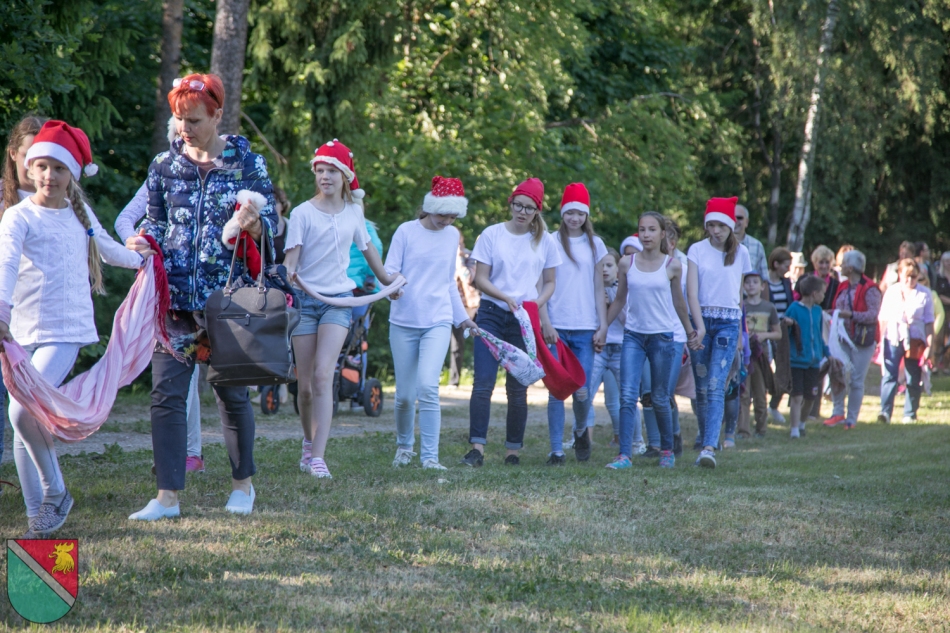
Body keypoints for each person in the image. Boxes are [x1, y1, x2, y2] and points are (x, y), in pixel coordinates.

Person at [127, 73, 277, 520]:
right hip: (173, 301)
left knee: (231, 395)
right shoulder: (164, 165)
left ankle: (243, 487)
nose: (184, 128)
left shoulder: (247, 164)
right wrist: (144, 240)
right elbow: (155, 221)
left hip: (228, 302)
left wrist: (257, 225)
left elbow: (273, 228)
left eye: (193, 120)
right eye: (179, 119)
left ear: (217, 115)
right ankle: (167, 498)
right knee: (166, 396)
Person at [0, 120, 148, 535]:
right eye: (42, 166)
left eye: (59, 168)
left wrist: (144, 260)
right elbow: (6, 265)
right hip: (18, 333)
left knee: (21, 410)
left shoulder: (78, 217)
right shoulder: (17, 217)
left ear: (72, 175)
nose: (49, 175)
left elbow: (109, 249)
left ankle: (57, 493)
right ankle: (38, 518)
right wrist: (2, 313)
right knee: (24, 425)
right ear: (29, 168)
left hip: (65, 331)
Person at [283, 139, 400, 479]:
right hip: (305, 303)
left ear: (345, 176)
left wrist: (389, 283)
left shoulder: (353, 213)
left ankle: (319, 458)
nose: (325, 176)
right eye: (320, 170)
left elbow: (370, 253)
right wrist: (287, 276)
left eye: (332, 171)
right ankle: (308, 443)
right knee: (305, 386)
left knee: (324, 375)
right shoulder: (302, 213)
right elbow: (291, 262)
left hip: (339, 303)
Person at [114, 119, 205, 474]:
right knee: (172, 371)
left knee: (195, 372)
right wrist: (138, 244)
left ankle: (189, 451)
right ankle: (178, 453)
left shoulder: (213, 175)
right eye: (176, 136)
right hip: (161, 288)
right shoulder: (161, 175)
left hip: (201, 289)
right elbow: (124, 219)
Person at [462, 178, 561, 467]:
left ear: (537, 211)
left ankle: (512, 453)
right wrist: (505, 297)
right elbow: (480, 279)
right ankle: (477, 449)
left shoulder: (545, 241)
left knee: (517, 389)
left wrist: (536, 304)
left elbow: (550, 282)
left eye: (529, 208)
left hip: (523, 319)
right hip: (491, 314)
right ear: (511, 203)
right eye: (518, 205)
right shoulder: (491, 234)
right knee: (483, 383)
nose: (522, 212)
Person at [384, 176, 476, 470]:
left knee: (428, 387)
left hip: (438, 320)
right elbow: (388, 271)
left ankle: (430, 457)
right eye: (442, 214)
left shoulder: (451, 236)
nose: (446, 221)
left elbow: (449, 282)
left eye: (453, 216)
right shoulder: (405, 231)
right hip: (404, 321)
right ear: (430, 207)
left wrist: (463, 318)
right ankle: (404, 446)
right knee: (404, 397)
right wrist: (393, 288)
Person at [606, 212, 696, 470]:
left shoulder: (673, 266)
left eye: (652, 230)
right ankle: (624, 455)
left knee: (659, 397)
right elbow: (619, 299)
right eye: (642, 229)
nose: (646, 234)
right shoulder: (626, 263)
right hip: (633, 337)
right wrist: (602, 329)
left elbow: (680, 303)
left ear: (662, 234)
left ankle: (667, 451)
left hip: (663, 338)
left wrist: (690, 332)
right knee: (627, 396)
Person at [539, 183, 608, 464]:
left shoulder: (596, 244)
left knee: (582, 391)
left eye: (580, 213)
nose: (575, 218)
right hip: (556, 327)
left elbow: (599, 287)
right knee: (556, 391)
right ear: (562, 213)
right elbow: (541, 285)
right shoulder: (549, 241)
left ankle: (580, 430)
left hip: (585, 327)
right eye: (570, 212)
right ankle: (556, 449)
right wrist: (545, 322)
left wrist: (603, 325)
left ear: (586, 215)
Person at [687, 197, 751, 468]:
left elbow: (739, 295)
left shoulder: (742, 253)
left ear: (730, 226)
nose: (715, 231)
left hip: (728, 324)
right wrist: (698, 327)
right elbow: (691, 293)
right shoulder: (696, 250)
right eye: (711, 225)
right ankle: (707, 437)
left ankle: (708, 448)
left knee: (716, 386)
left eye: (721, 226)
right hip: (700, 321)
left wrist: (740, 333)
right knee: (702, 388)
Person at [0, 115, 47, 472]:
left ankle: (42, 485)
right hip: (4, 312)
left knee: (25, 408)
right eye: (28, 154)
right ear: (13, 153)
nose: (34, 164)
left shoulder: (58, 202)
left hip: (36, 320)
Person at [640, 218, 691, 457]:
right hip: (647, 333)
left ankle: (673, 435)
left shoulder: (683, 266)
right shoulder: (644, 263)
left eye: (671, 239)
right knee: (648, 392)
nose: (666, 243)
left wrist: (693, 331)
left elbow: (689, 301)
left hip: (675, 335)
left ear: (674, 241)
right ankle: (654, 444)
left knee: (664, 393)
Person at [826, 250, 881, 429]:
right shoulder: (843, 286)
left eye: (843, 264)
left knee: (856, 380)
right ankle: (837, 413)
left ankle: (851, 418)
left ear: (850, 268)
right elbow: (836, 307)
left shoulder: (870, 288)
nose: (840, 267)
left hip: (862, 340)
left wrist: (849, 315)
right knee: (837, 373)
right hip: (842, 337)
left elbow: (872, 315)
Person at [878, 259, 935, 424]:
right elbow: (883, 317)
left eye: (914, 277)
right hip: (893, 336)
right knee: (890, 375)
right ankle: (885, 411)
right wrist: (880, 340)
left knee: (913, 376)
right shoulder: (892, 291)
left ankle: (910, 413)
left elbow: (929, 322)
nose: (910, 280)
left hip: (916, 340)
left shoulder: (924, 293)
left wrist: (929, 345)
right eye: (906, 277)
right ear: (899, 275)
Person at [584, 248, 624, 447]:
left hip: (620, 348)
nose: (605, 269)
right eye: (602, 266)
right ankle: (583, 438)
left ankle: (633, 441)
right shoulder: (590, 289)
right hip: (597, 347)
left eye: (609, 265)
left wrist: (613, 304)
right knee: (584, 394)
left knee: (622, 399)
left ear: (618, 268)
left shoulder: (624, 290)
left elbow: (628, 321)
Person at [785, 275, 829, 438]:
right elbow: (785, 331)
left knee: (811, 396)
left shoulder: (818, 311)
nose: (824, 296)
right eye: (822, 292)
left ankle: (802, 423)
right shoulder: (794, 309)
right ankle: (794, 429)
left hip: (813, 362)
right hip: (797, 361)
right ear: (814, 293)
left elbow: (818, 335)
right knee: (797, 396)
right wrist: (788, 325)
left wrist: (827, 354)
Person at [739, 272, 780, 437]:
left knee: (760, 393)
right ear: (743, 286)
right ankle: (743, 430)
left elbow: (778, 333)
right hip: (743, 354)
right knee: (743, 393)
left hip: (761, 355)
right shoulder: (741, 306)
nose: (751, 285)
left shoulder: (769, 307)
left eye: (755, 282)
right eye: (747, 282)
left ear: (762, 286)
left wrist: (764, 335)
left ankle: (761, 429)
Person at [765, 247, 794, 423]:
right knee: (763, 368)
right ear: (776, 264)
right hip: (766, 331)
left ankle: (774, 405)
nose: (788, 269)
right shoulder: (763, 283)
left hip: (783, 332)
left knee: (784, 369)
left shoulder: (786, 283)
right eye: (785, 265)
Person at [449, 234, 480, 386]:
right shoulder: (447, 258)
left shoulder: (471, 258)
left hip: (472, 306)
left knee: (478, 344)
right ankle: (453, 381)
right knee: (456, 345)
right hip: (455, 306)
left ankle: (478, 379)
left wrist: (459, 259)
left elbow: (467, 277)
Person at [734, 204, 768, 278]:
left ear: (746, 222)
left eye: (739, 218)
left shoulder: (757, 246)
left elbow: (764, 278)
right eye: (732, 217)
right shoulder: (719, 245)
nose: (735, 220)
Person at [935, 251, 950, 371]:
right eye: (947, 261)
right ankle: (934, 365)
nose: (949, 263)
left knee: (948, 339)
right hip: (941, 310)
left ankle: (946, 366)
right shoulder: (938, 277)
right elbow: (938, 294)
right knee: (939, 338)